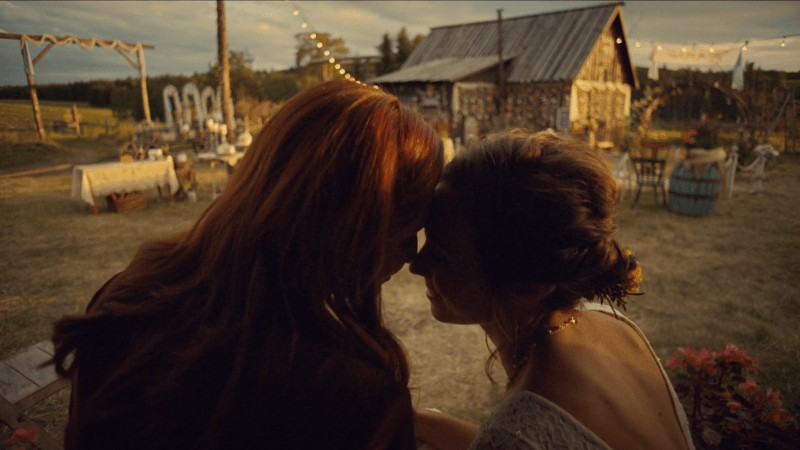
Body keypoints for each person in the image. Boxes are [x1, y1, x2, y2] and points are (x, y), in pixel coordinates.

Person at [50, 80, 444, 450]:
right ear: (350, 222)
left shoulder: (124, 297)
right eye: (405, 228)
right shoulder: (353, 398)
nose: (412, 255)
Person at [410, 131, 695, 450]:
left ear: (528, 285)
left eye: (441, 254)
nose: (416, 265)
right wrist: (421, 423)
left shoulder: (518, 423)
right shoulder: (611, 326)